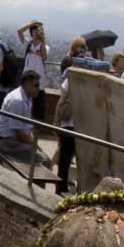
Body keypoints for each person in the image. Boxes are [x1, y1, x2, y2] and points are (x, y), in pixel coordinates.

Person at [0, 70, 53, 168]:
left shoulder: (27, 98)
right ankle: (30, 178)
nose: (38, 89)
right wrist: (36, 146)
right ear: (27, 84)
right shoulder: (17, 100)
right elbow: (19, 132)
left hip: (16, 141)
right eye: (36, 85)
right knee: (45, 161)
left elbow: (27, 127)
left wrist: (34, 145)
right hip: (9, 142)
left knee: (42, 156)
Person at [53, 57, 76, 194]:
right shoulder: (77, 82)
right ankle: (62, 187)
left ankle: (60, 188)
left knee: (64, 160)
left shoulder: (69, 81)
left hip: (68, 125)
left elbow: (61, 102)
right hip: (75, 125)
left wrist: (56, 121)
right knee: (67, 158)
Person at [17, 20, 49, 120]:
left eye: (39, 31)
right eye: (35, 31)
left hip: (39, 83)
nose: (37, 33)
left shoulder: (44, 46)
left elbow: (44, 56)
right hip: (26, 81)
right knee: (23, 109)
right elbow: (19, 31)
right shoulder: (28, 44)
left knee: (37, 113)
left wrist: (43, 40)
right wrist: (31, 24)